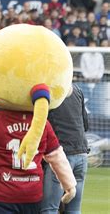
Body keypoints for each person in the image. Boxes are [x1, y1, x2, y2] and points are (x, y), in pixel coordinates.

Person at [41, 84, 89, 214]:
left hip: (60, 158)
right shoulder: (77, 89)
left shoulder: (45, 92)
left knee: (49, 208)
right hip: (82, 155)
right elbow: (86, 124)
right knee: (74, 210)